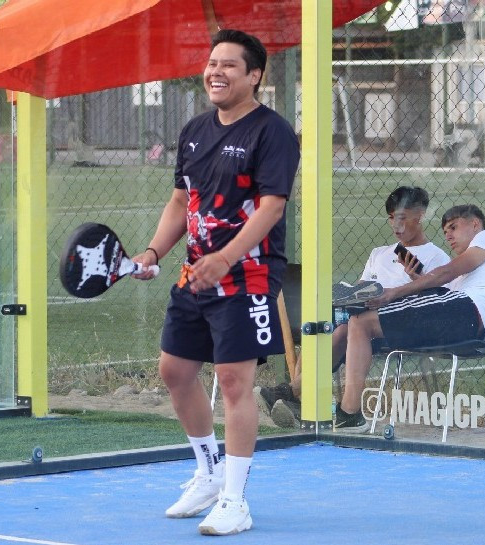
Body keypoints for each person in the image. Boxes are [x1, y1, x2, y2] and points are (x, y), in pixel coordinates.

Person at [132, 29, 300, 536]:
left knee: (232, 380)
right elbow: (181, 201)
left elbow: (271, 207)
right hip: (196, 271)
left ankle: (234, 499)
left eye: (229, 65)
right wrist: (153, 251)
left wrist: (226, 258)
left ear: (255, 75)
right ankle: (208, 473)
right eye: (212, 63)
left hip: (248, 273)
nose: (216, 72)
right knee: (175, 371)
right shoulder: (194, 130)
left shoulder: (272, 132)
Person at [254, 186, 450, 428]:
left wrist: (415, 280)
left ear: (419, 216)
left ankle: (292, 394)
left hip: (398, 326)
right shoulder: (379, 253)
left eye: (401, 218)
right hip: (358, 322)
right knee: (325, 325)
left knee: (345, 329)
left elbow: (438, 304)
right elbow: (359, 288)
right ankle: (299, 400)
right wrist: (349, 296)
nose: (395, 225)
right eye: (391, 218)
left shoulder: (437, 258)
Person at [336, 204, 485, 432]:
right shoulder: (466, 277)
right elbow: (439, 296)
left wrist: (393, 293)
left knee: (362, 321)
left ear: (475, 224)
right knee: (357, 322)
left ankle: (348, 413)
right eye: (445, 231)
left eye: (453, 227)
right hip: (461, 320)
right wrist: (418, 278)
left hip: (466, 313)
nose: (448, 236)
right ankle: (345, 411)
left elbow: (446, 274)